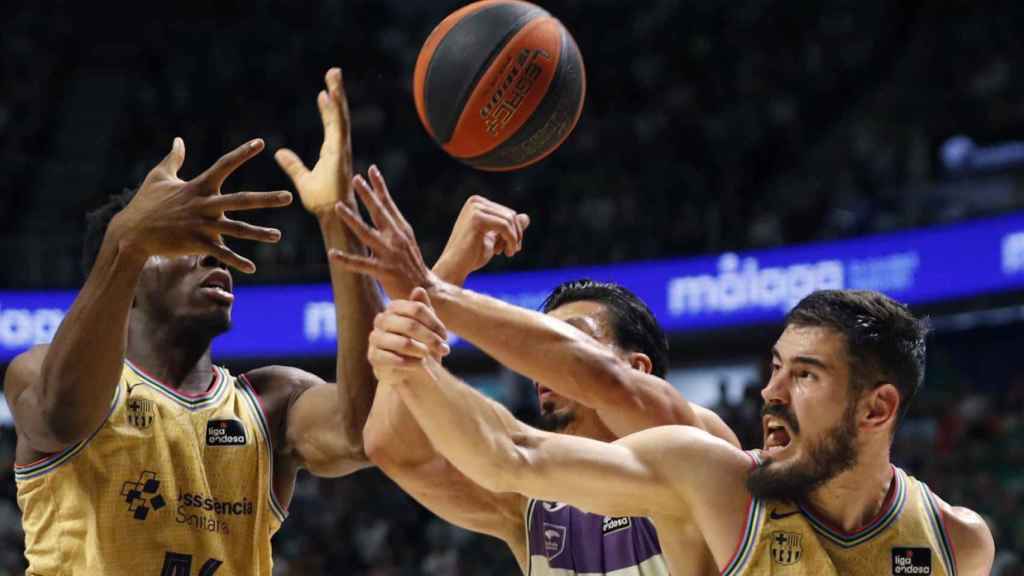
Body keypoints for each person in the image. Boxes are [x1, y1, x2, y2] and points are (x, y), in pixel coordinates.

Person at [3, 68, 382, 575]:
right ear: (129, 279)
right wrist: (126, 239)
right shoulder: (39, 370)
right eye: (181, 246)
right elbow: (60, 416)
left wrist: (340, 220)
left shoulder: (272, 402)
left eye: (216, 249)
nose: (214, 259)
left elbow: (367, 432)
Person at [365, 286, 996, 575]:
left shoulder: (956, 542)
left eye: (803, 375)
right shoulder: (721, 478)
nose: (770, 393)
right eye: (774, 369)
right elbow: (512, 452)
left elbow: (607, 384)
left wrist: (425, 293)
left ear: (876, 409)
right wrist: (414, 356)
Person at [333, 173, 739, 574]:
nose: (538, 368)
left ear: (639, 369)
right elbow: (394, 449)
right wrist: (411, 332)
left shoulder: (701, 453)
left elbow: (607, 386)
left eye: (567, 340)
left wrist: (429, 287)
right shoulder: (531, 506)